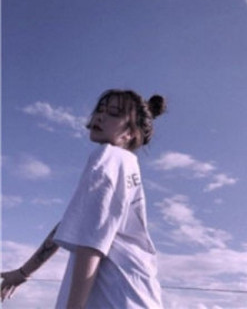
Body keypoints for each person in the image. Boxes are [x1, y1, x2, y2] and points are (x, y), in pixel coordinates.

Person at [1, 89, 166, 308]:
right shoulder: (126, 164)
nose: (100, 116)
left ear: (130, 133)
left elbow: (91, 244)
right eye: (100, 110)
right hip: (137, 295)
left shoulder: (108, 157)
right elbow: (69, 226)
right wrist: (23, 272)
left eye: (113, 113)